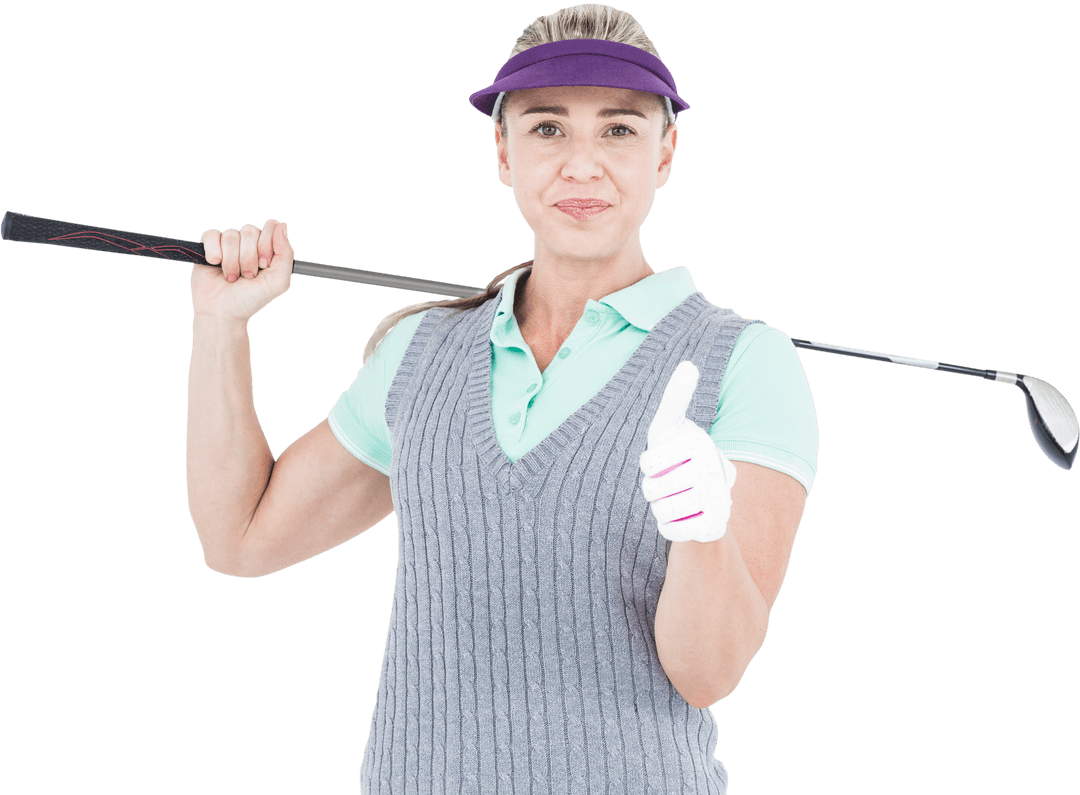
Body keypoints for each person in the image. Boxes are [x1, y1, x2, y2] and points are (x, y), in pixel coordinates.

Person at [185, 4, 818, 792]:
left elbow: (707, 673)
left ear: (666, 153)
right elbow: (239, 539)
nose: (582, 165)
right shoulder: (420, 351)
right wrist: (220, 326)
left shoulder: (748, 364)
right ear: (503, 151)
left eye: (619, 130)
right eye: (547, 128)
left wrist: (701, 530)